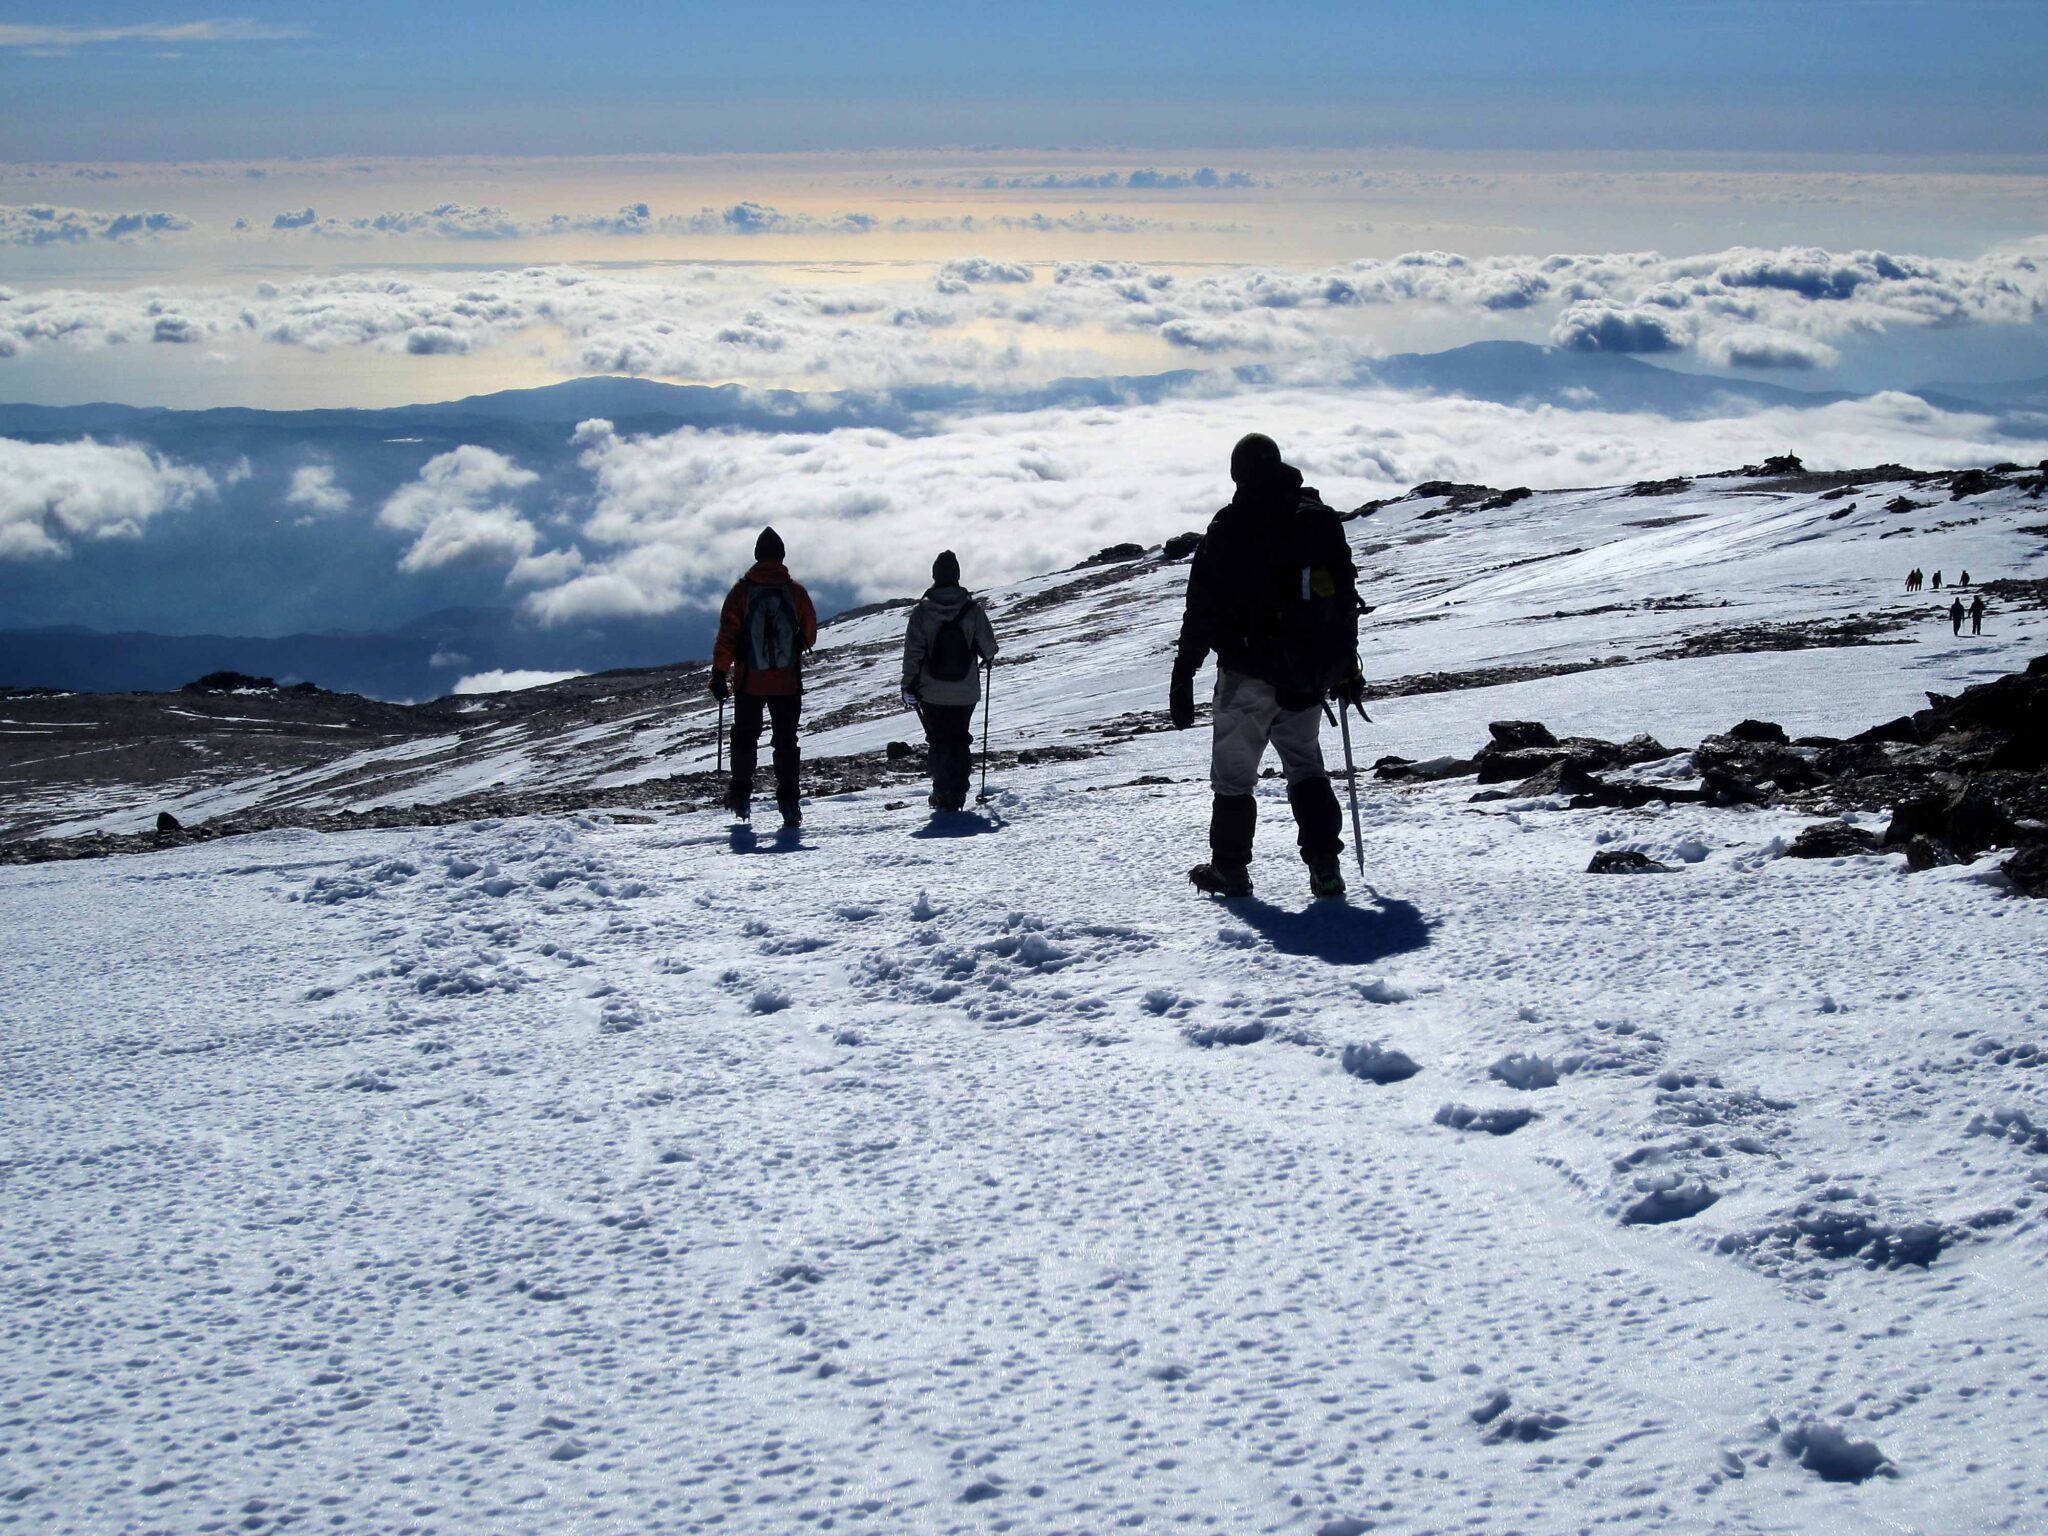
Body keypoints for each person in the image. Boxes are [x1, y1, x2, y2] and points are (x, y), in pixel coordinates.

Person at [1170, 432, 1364, 900]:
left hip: (1246, 674)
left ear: (1238, 474)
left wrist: (1184, 674)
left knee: (1235, 778)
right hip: (1306, 672)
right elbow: (1343, 601)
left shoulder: (1229, 529)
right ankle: (1325, 868)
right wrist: (1344, 665)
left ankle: (1231, 871)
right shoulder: (1316, 522)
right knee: (1305, 765)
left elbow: (1202, 610)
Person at [710, 527, 818, 829]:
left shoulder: (741, 592)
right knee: (785, 742)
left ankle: (742, 798)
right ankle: (789, 804)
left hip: (750, 682)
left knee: (745, 739)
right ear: (781, 555)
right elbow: (809, 633)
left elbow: (727, 638)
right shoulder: (795, 592)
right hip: (786, 682)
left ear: (757, 556)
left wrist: (719, 674)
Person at [901, 550, 1000, 811]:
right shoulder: (973, 610)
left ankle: (942, 793)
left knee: (939, 741)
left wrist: (907, 686)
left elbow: (913, 653)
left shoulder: (922, 611)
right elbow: (989, 649)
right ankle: (958, 792)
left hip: (931, 691)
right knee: (959, 739)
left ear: (934, 576)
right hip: (965, 691)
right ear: (957, 577)